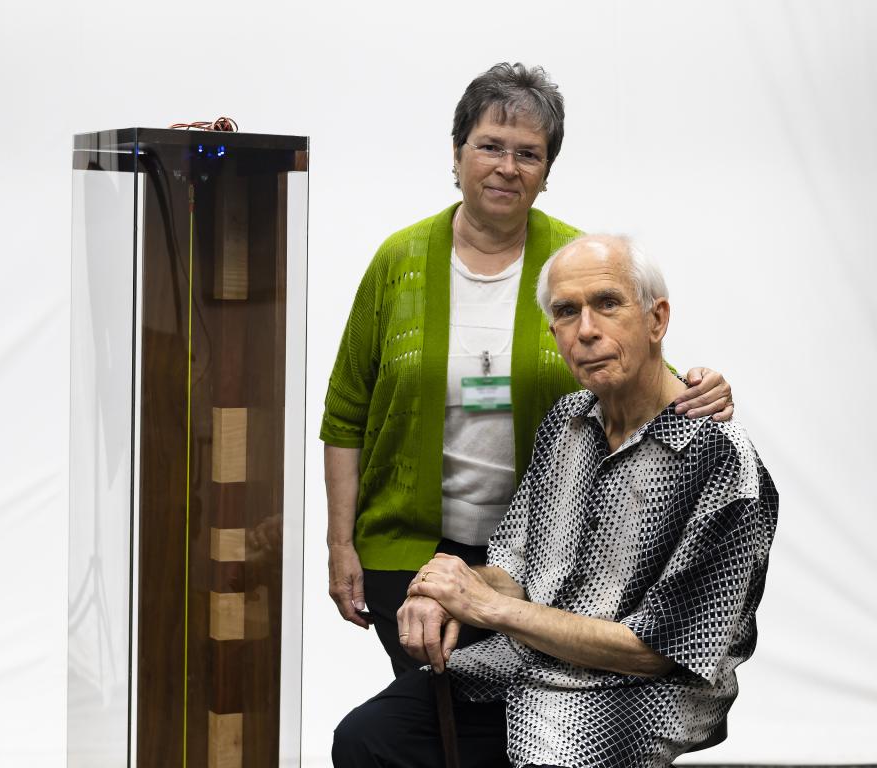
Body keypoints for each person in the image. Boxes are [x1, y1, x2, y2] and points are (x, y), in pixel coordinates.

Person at [320, 63, 735, 676]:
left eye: (528, 154)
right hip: (404, 555)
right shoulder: (397, 261)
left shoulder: (576, 261)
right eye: (489, 146)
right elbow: (346, 412)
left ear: (545, 173)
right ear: (457, 154)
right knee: (433, 716)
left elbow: (635, 367)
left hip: (542, 558)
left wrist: (702, 387)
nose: (506, 167)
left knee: (520, 717)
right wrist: (339, 545)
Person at [332, 235, 778, 768]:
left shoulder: (722, 462)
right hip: (531, 660)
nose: (586, 330)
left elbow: (657, 653)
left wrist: (490, 607)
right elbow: (513, 566)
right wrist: (444, 588)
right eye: (567, 313)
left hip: (636, 690)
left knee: (548, 754)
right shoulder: (567, 423)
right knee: (368, 736)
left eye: (608, 304)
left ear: (657, 320)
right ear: (554, 334)